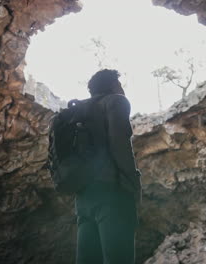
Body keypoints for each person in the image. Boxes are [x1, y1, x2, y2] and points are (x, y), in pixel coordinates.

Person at [75, 69, 142, 264]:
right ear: (113, 86)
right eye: (119, 85)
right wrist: (134, 185)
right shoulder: (116, 101)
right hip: (113, 193)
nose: (122, 89)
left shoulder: (79, 110)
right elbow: (120, 146)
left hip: (83, 197)